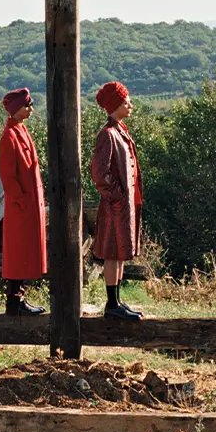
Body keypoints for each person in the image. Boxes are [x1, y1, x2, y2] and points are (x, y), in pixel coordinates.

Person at [90, 81, 143, 322]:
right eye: (125, 102)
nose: (130, 105)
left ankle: (118, 301)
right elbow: (100, 174)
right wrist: (119, 196)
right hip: (115, 207)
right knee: (112, 253)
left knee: (120, 253)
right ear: (114, 105)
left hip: (122, 207)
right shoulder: (107, 135)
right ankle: (112, 304)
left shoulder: (120, 130)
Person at [0, 87, 47, 316]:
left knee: (24, 250)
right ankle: (14, 301)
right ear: (17, 109)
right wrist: (21, 200)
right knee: (18, 251)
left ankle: (18, 299)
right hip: (21, 206)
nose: (31, 109)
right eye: (27, 105)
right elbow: (8, 175)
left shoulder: (21, 130)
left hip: (27, 204)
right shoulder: (9, 136)